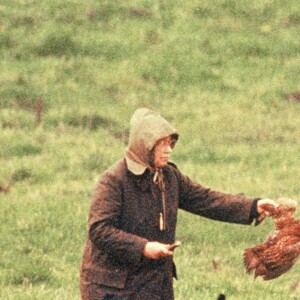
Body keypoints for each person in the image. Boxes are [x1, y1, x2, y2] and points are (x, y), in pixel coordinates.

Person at [80, 108, 278, 300]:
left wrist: (253, 206)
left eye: (170, 143)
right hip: (112, 289)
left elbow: (207, 199)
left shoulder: (169, 177)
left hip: (153, 286)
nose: (168, 150)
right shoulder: (114, 180)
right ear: (145, 145)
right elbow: (100, 230)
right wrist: (143, 247)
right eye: (162, 144)